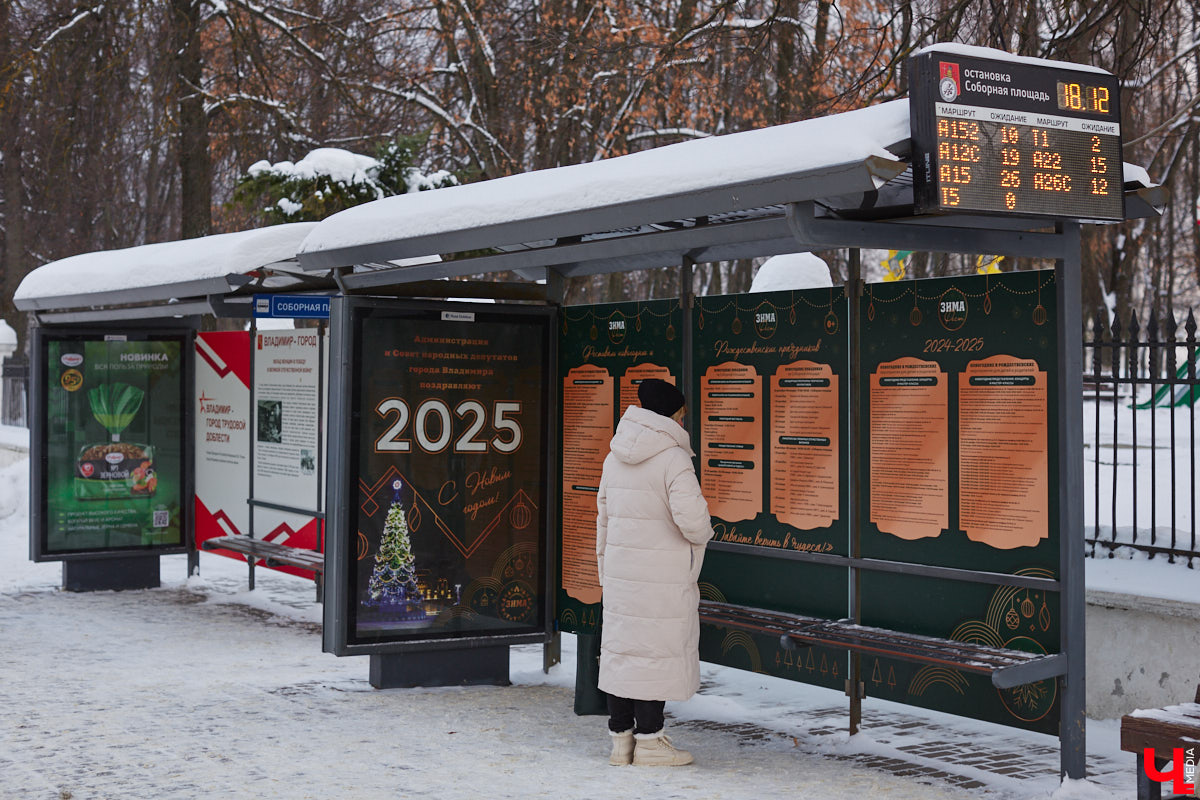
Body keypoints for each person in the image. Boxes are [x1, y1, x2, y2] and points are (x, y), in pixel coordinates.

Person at [596, 378, 714, 767]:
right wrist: (701, 537)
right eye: (682, 413)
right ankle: (650, 741)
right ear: (672, 414)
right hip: (661, 574)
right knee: (653, 653)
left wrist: (606, 570)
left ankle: (621, 740)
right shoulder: (673, 458)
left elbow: (604, 521)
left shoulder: (614, 456)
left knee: (622, 651)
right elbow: (694, 523)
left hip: (620, 572)